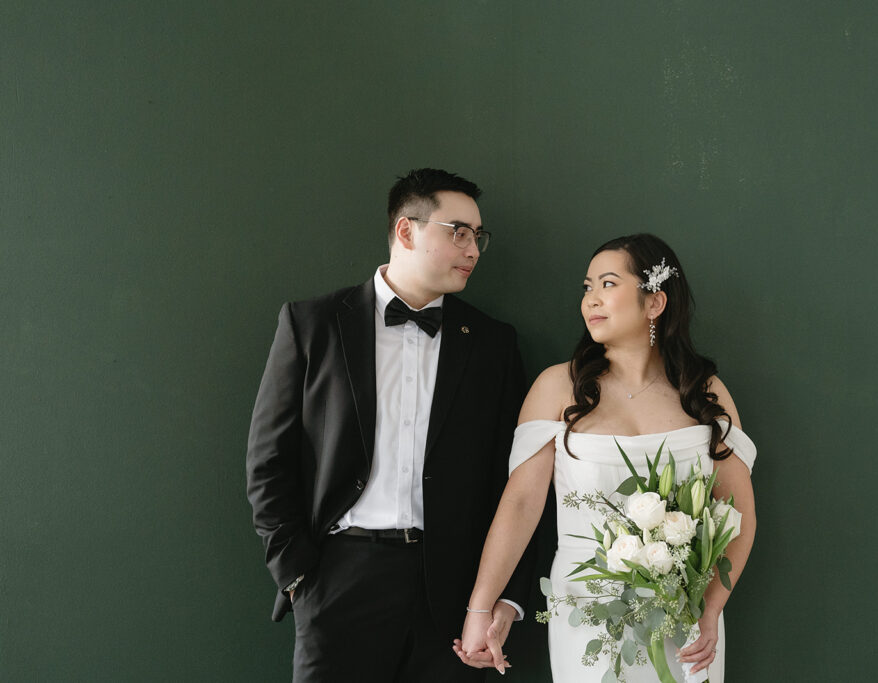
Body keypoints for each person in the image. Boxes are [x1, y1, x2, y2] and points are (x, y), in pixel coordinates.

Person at [246, 168, 533, 682]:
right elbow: (268, 461)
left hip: (453, 592)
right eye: (458, 232)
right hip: (339, 579)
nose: (473, 249)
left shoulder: (493, 344)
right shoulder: (311, 324)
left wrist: (496, 600)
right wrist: (297, 578)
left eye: (478, 236)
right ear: (406, 231)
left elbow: (509, 480)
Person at [454, 234, 757, 682]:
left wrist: (710, 609)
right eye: (586, 287)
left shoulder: (704, 389)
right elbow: (520, 505)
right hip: (584, 607)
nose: (591, 299)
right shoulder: (559, 386)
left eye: (608, 284)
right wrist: (480, 607)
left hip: (685, 617)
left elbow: (738, 514)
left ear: (654, 303)